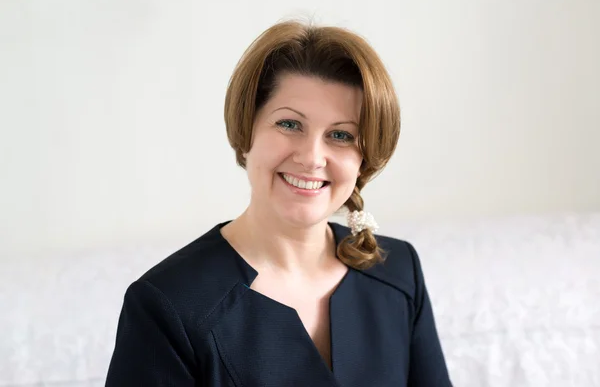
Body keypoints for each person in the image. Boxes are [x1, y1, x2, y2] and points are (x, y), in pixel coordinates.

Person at [105, 19, 452, 386]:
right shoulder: (168, 305)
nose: (311, 157)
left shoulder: (397, 273)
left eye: (340, 134)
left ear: (364, 157)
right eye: (289, 124)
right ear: (246, 129)